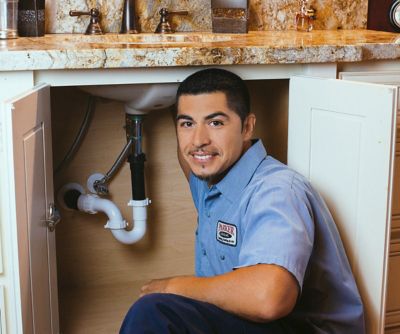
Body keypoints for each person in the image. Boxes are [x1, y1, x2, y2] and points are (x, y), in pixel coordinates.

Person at [120, 68, 365, 333]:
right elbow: (189, 155)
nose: (199, 141)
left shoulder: (277, 191)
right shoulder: (209, 182)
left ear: (247, 127)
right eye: (187, 124)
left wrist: (173, 287)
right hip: (258, 324)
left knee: (154, 312)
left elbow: (270, 299)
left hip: (300, 327)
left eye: (216, 123)